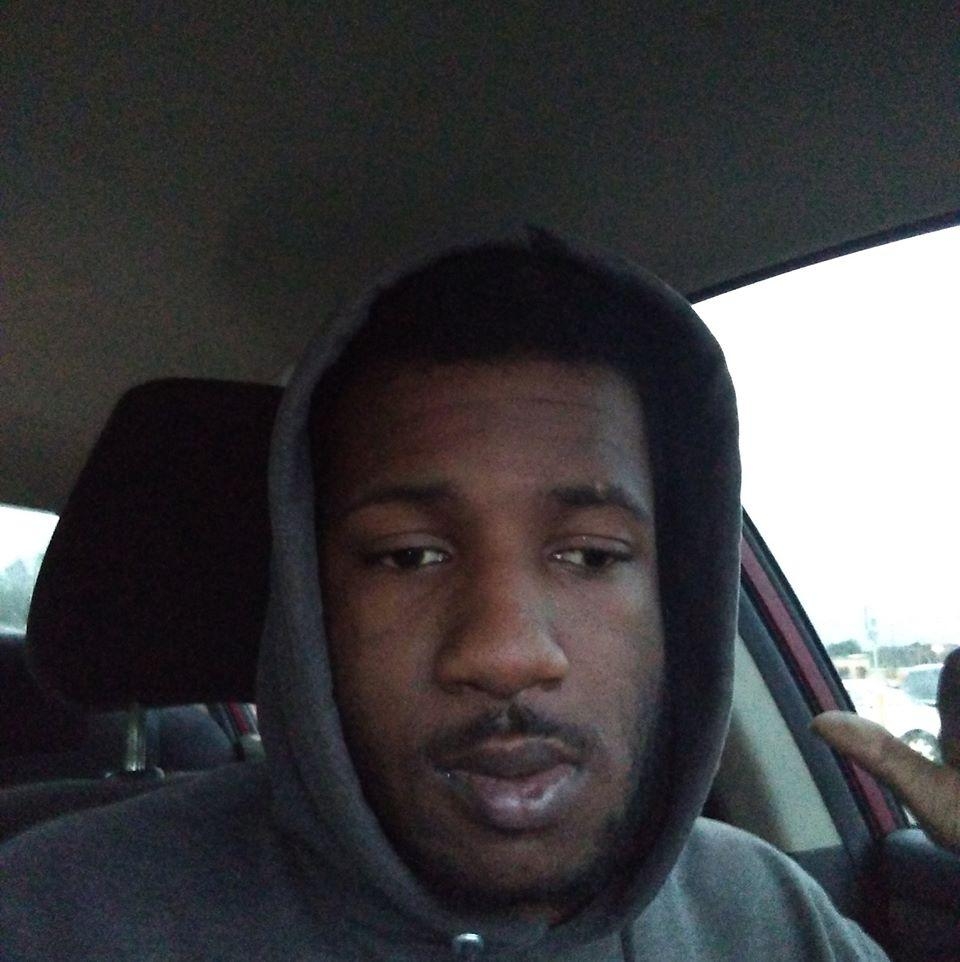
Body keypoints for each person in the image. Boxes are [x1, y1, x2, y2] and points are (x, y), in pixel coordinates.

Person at [1, 230, 956, 960]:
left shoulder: (762, 916)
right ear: (307, 610)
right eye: (409, 556)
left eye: (591, 556)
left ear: (679, 608)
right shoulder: (54, 918)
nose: (505, 652)